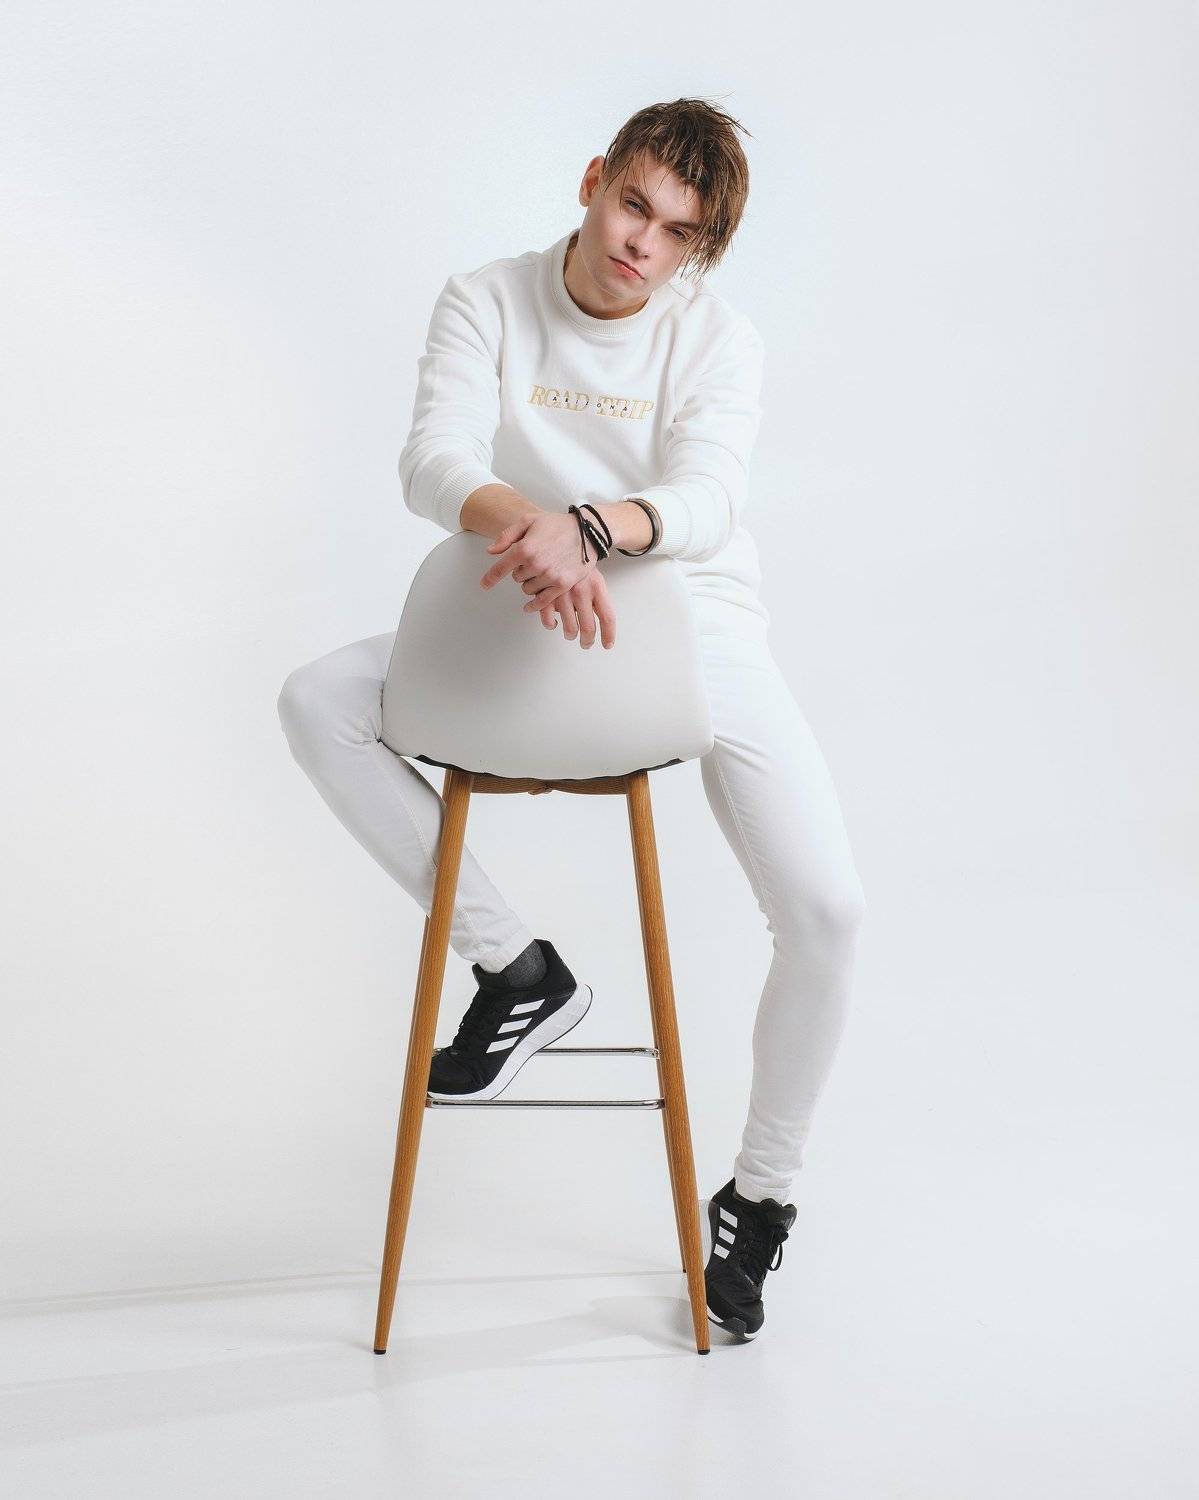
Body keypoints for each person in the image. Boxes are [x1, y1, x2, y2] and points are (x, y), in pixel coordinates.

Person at [277, 98, 867, 1342]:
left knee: (826, 912)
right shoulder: (485, 297)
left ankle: (758, 1197)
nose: (640, 243)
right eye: (632, 205)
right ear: (595, 179)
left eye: (676, 233)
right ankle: (517, 968)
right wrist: (535, 532)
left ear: (697, 250)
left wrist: (592, 527)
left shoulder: (716, 337)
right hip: (523, 604)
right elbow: (431, 459)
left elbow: (707, 497)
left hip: (690, 619)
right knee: (319, 700)